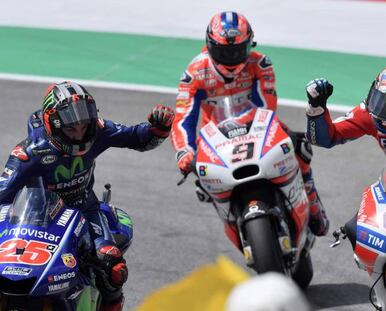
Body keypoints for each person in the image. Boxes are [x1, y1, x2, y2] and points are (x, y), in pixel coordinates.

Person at [0, 81, 174, 311]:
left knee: (113, 267)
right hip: (36, 216)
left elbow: (138, 137)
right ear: (54, 125)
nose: (79, 134)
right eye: (71, 129)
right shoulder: (29, 152)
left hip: (84, 208)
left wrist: (158, 128)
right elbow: (2, 194)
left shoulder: (99, 130)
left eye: (84, 126)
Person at [170, 11, 329, 240]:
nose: (232, 58)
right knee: (203, 184)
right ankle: (233, 219)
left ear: (249, 44)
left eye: (238, 51)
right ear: (210, 46)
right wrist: (185, 151)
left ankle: (312, 203)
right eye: (224, 51)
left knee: (301, 148)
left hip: (258, 126)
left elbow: (267, 107)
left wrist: (270, 131)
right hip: (215, 136)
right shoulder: (195, 73)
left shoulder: (260, 63)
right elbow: (184, 117)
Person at [304, 60, 386, 247]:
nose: (383, 115)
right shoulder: (371, 114)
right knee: (356, 232)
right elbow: (324, 138)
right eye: (379, 100)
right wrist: (316, 107)